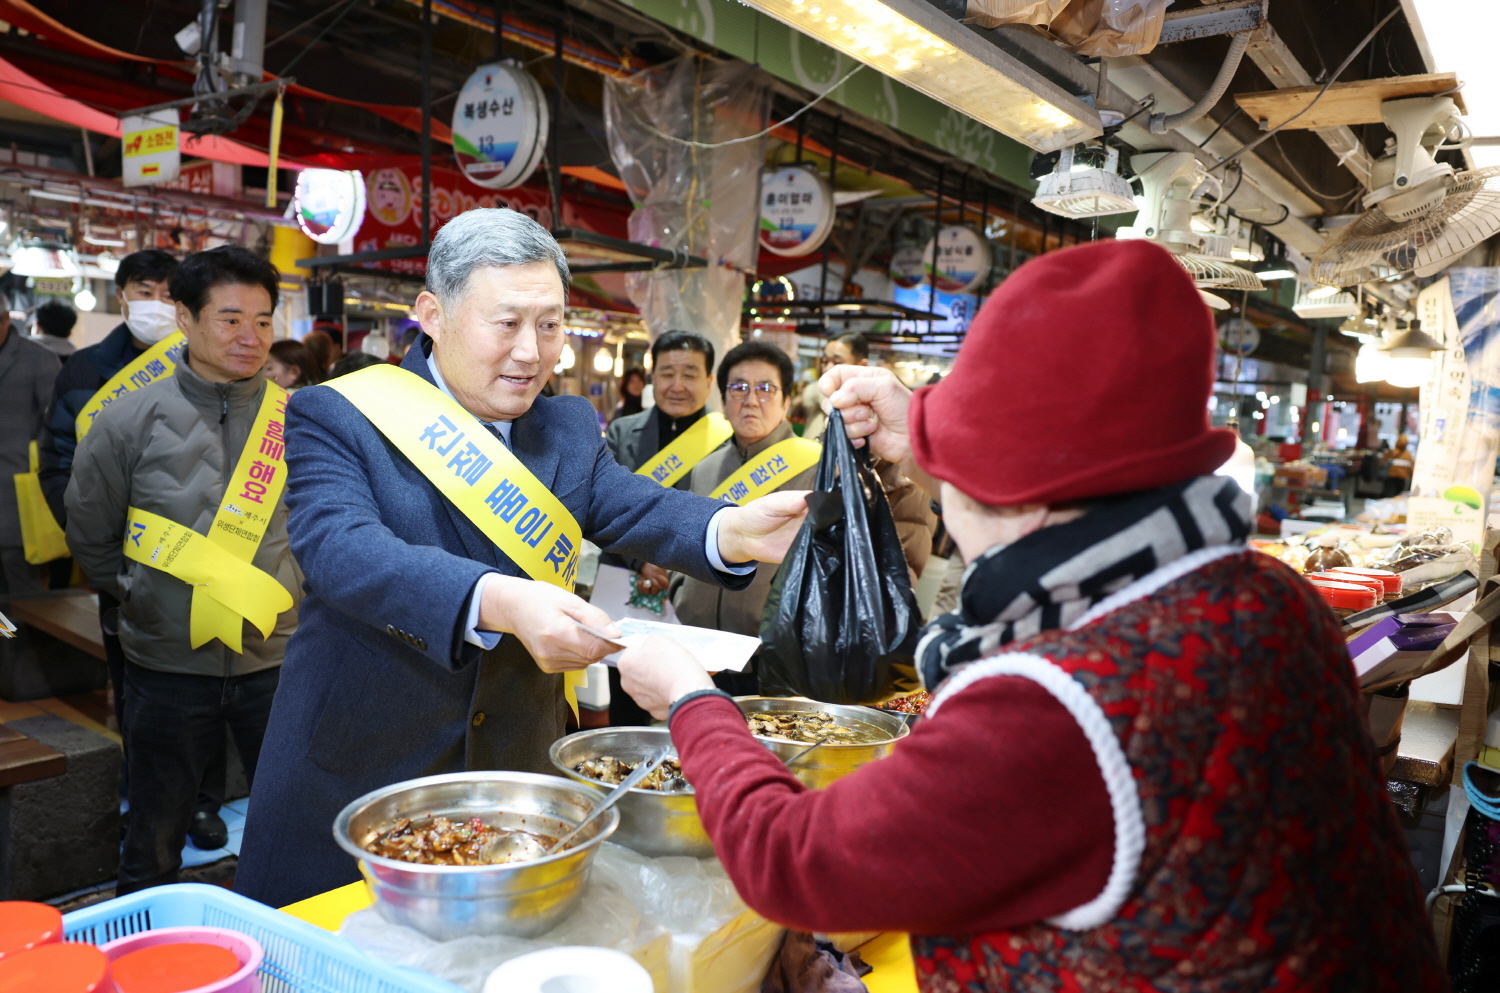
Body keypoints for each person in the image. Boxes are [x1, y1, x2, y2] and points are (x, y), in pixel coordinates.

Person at [617, 240, 1444, 992]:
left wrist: (695, 701)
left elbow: (791, 860)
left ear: (1005, 492)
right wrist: (927, 423)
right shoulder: (1266, 597)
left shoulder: (1056, 698)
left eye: (960, 467)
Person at [234, 209, 807, 908]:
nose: (533, 353)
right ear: (432, 314)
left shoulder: (563, 425)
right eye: (506, 324)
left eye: (551, 325)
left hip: (514, 762)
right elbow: (341, 550)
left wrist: (732, 531)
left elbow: (635, 505)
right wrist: (502, 601)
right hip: (365, 758)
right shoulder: (341, 414)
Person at [66, 246, 297, 894]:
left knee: (292, 826)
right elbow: (91, 531)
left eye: (262, 320)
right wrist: (138, 594)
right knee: (153, 835)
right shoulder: (126, 419)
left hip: (273, 661)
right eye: (229, 319)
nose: (249, 336)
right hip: (166, 666)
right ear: (184, 319)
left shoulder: (298, 418)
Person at [670, 340, 818, 697]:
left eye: (766, 389)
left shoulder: (817, 467)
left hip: (775, 653)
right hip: (701, 647)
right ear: (723, 400)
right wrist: (681, 594)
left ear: (786, 401)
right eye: (738, 388)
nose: (751, 400)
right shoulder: (705, 468)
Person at [602, 330, 719, 724]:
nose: (678, 385)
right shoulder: (622, 431)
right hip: (629, 590)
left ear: (709, 381)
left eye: (690, 373)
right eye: (667, 373)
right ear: (652, 378)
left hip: (700, 594)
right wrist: (642, 563)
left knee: (698, 708)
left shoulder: (727, 439)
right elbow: (602, 512)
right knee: (627, 710)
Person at [0, 292, 61, 595]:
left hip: (17, 502)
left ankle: (18, 642)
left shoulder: (39, 359)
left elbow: (57, 428)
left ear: (6, 320)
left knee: (23, 598)